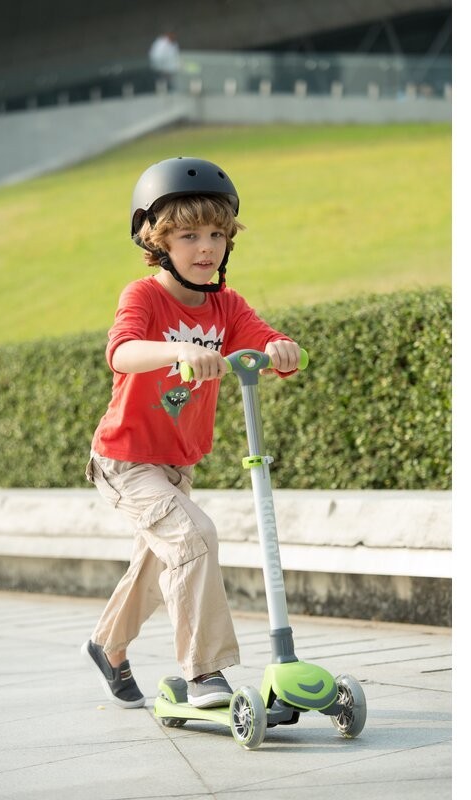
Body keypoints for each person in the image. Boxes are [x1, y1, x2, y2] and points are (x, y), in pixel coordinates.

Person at [81, 157, 303, 709]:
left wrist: (281, 349)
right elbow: (122, 351)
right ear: (157, 243)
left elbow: (263, 338)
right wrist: (178, 349)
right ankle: (205, 672)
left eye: (216, 235)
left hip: (176, 464)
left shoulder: (226, 305)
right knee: (194, 537)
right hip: (125, 460)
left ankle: (107, 646)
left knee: (157, 563)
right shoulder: (144, 297)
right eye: (188, 237)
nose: (206, 248)